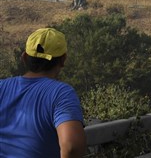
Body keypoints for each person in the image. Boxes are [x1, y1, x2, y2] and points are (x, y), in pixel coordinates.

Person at [0, 27, 86, 157]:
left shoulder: (2, 87)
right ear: (63, 60)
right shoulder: (61, 93)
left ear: (24, 57)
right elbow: (71, 147)